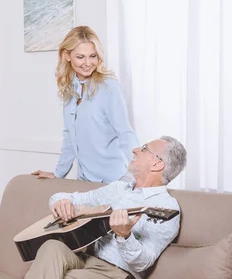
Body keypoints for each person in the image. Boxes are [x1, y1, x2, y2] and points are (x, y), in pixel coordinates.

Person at [26, 136, 187, 279]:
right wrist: (61, 202)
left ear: (157, 164)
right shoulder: (117, 188)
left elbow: (143, 262)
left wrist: (125, 236)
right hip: (85, 259)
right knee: (51, 246)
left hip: (115, 273)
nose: (135, 150)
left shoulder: (166, 207)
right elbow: (69, 197)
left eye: (144, 149)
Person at [32, 26, 138, 183]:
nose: (88, 63)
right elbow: (70, 136)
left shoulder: (108, 86)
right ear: (67, 55)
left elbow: (125, 133)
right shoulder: (69, 88)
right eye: (80, 57)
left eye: (93, 56)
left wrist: (139, 175)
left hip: (114, 181)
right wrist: (58, 173)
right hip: (84, 181)